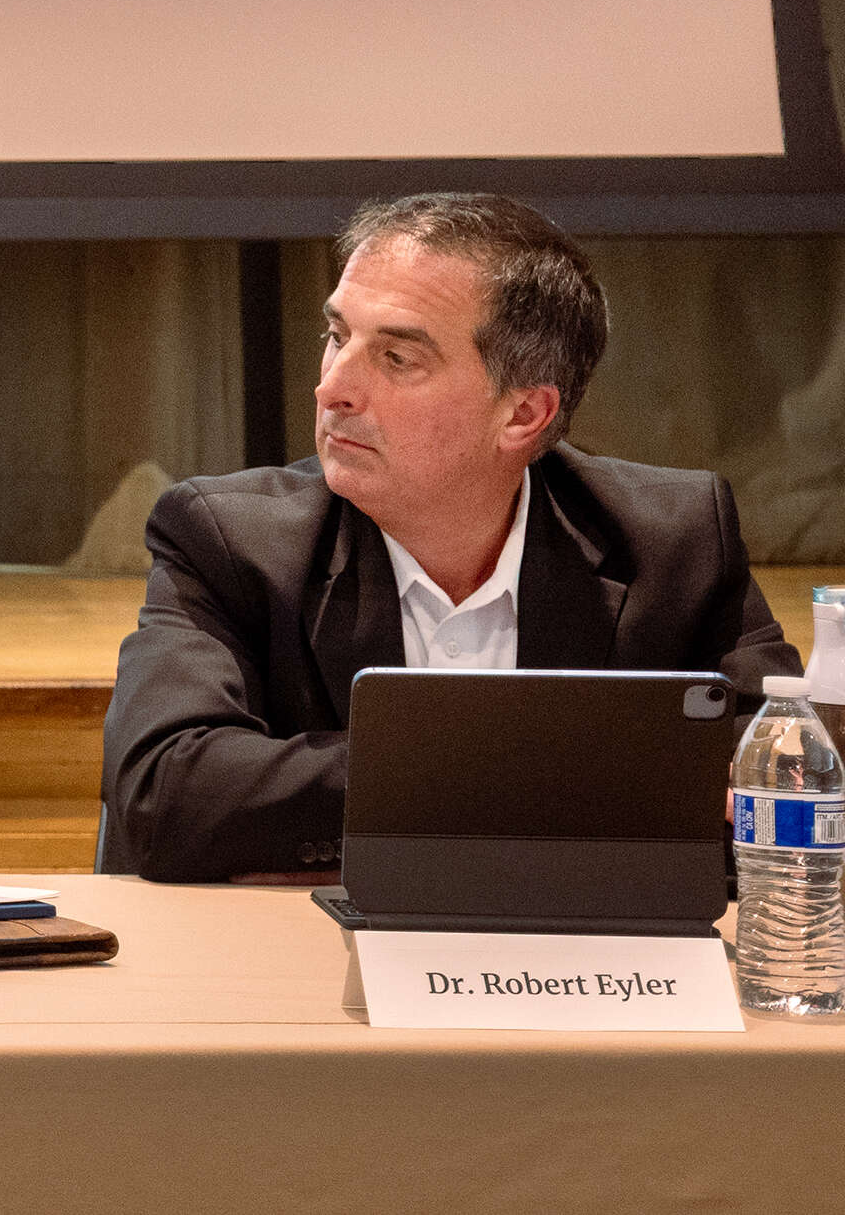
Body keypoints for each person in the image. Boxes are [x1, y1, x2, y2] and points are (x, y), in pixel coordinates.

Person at [100, 191, 798, 881]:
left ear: (523, 414)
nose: (332, 388)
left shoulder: (675, 540)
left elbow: (789, 782)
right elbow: (164, 795)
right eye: (338, 337)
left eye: (397, 358)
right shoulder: (229, 541)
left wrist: (406, 807)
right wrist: (562, 780)